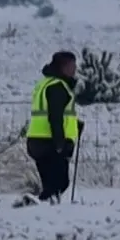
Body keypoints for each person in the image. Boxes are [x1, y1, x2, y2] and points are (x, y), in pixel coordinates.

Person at [25, 51, 79, 201]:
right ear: (62, 67)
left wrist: (75, 125)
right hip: (50, 141)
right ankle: (38, 205)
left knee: (51, 184)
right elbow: (55, 116)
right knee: (60, 183)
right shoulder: (58, 86)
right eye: (71, 65)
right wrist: (60, 142)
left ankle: (42, 207)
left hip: (36, 141)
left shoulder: (45, 83)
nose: (74, 69)